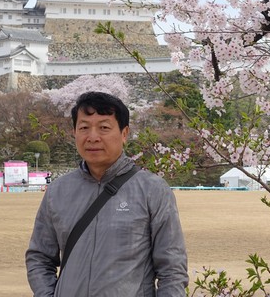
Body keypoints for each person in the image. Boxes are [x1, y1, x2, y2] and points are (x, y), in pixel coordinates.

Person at [25, 91, 188, 296]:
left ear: (124, 133)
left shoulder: (152, 190)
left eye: (104, 128)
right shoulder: (58, 191)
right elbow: (39, 258)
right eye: (84, 128)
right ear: (75, 132)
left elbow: (172, 269)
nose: (93, 137)